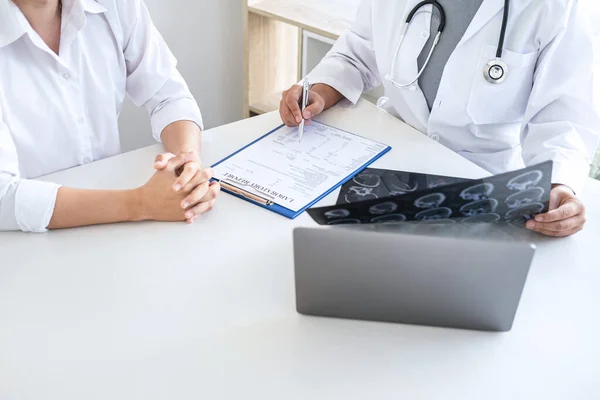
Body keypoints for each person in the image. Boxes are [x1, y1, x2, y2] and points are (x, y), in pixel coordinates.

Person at [280, 0, 600, 237]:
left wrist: (560, 187)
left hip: (484, 187)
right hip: (390, 168)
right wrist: (320, 90)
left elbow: (563, 117)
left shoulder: (562, 6)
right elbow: (361, 48)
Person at [0, 0, 220, 233]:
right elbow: (3, 197)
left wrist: (187, 169)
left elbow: (168, 96)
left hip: (115, 229)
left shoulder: (115, 4)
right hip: (24, 242)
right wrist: (140, 203)